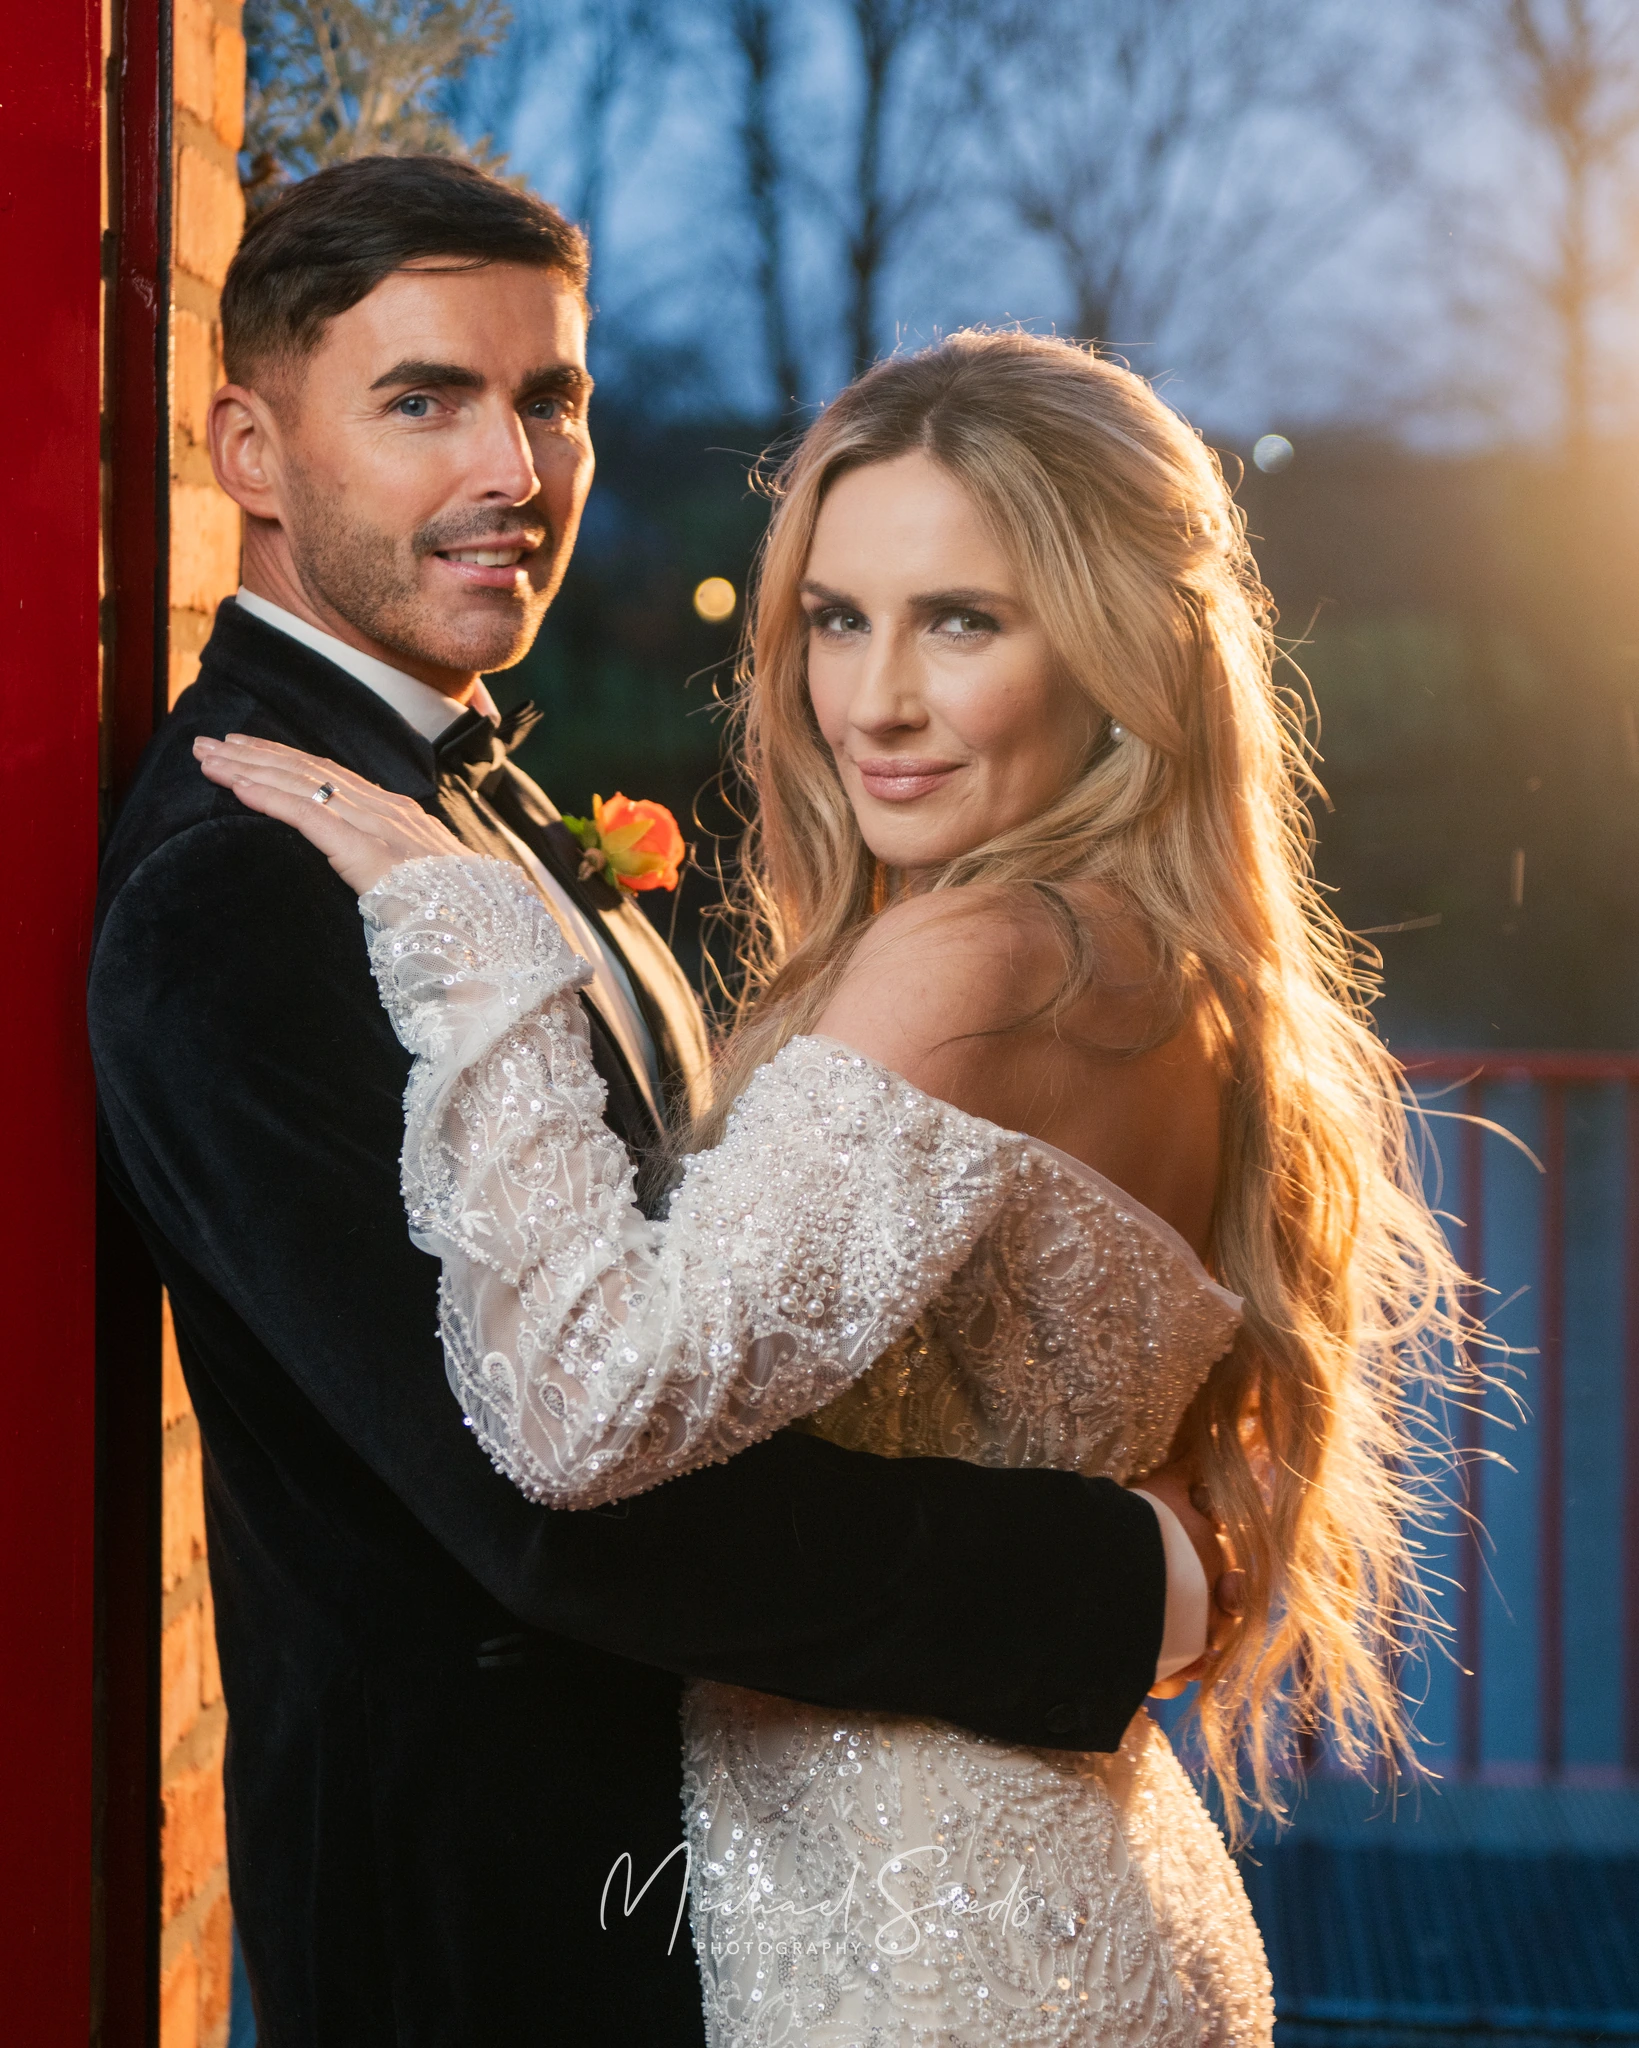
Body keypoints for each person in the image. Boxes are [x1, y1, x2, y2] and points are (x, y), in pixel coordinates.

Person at [197, 328, 1469, 2044]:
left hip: (919, 1950)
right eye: (834, 618)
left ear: (1118, 647)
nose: (872, 701)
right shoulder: (1173, 970)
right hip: (1080, 1898)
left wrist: (471, 941)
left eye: (963, 619)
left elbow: (583, 1404)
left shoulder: (980, 957)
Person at [90, 159, 1229, 2047]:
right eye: (422, 400)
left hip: (729, 1890)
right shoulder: (245, 885)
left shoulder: (471, 805)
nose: (514, 472)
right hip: (493, 1917)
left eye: (551, 399)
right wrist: (1110, 1582)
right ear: (251, 454)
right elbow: (543, 1508)